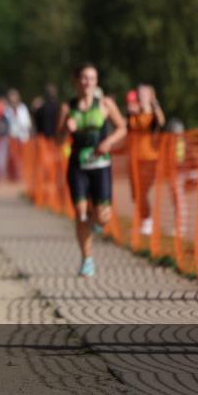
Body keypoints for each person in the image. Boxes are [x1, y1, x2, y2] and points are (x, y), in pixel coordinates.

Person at [58, 62, 127, 277]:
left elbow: (122, 128)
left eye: (92, 78)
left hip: (100, 165)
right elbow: (56, 139)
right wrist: (65, 129)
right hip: (77, 165)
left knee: (103, 217)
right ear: (77, 81)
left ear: (96, 82)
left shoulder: (105, 104)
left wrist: (109, 143)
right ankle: (87, 260)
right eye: (84, 78)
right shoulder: (67, 108)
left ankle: (97, 221)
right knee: (80, 213)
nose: (88, 82)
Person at [127, 84, 166, 236]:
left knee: (142, 190)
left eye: (144, 93)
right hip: (133, 158)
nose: (140, 95)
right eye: (139, 93)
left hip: (150, 158)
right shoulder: (133, 113)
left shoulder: (153, 116)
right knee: (135, 193)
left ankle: (148, 220)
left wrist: (154, 104)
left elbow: (161, 122)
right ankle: (142, 219)